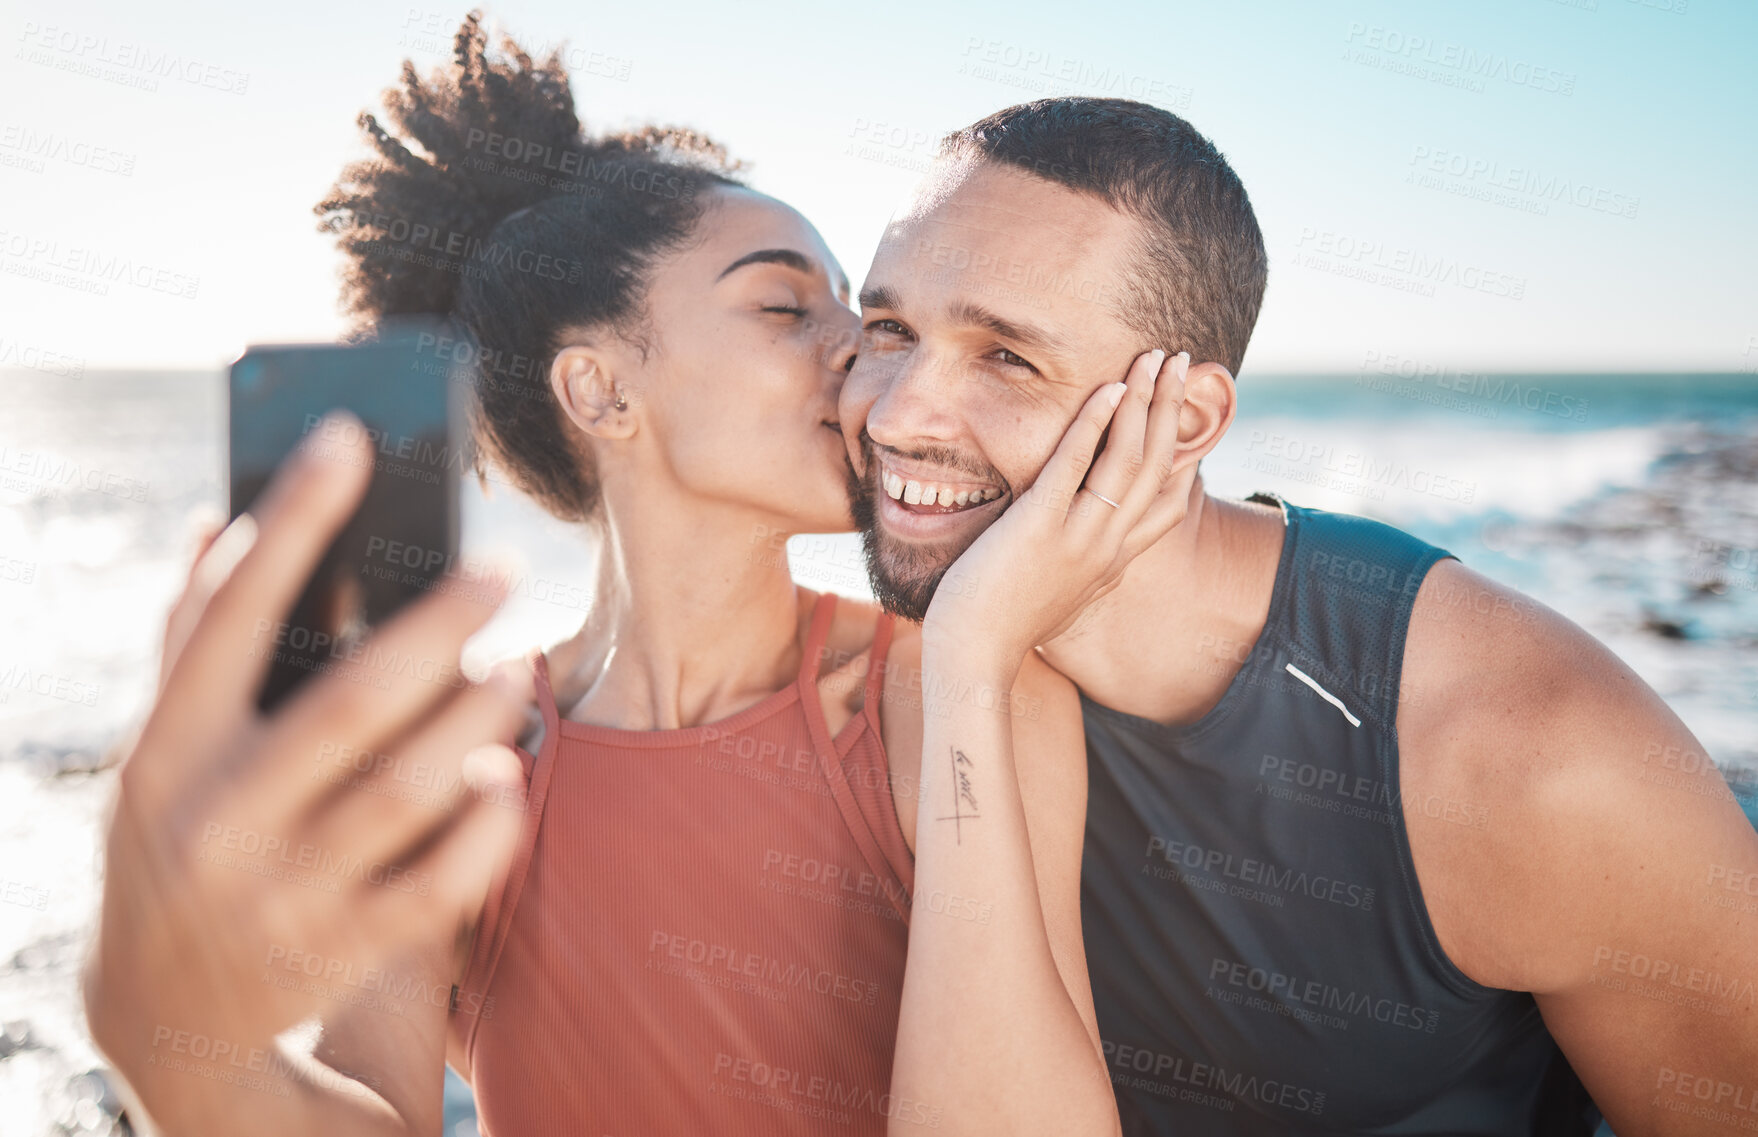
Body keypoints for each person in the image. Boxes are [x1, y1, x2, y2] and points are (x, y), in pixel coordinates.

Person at [79, 22, 1169, 1137]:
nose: (868, 351)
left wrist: (974, 658)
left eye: (863, 312)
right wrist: (174, 1045)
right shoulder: (463, 759)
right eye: (788, 308)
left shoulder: (957, 696)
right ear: (599, 393)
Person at [839, 96, 1758, 1135]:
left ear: (1184, 423)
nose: (896, 413)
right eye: (889, 330)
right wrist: (971, 658)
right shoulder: (914, 671)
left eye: (1007, 356)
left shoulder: (1526, 752)